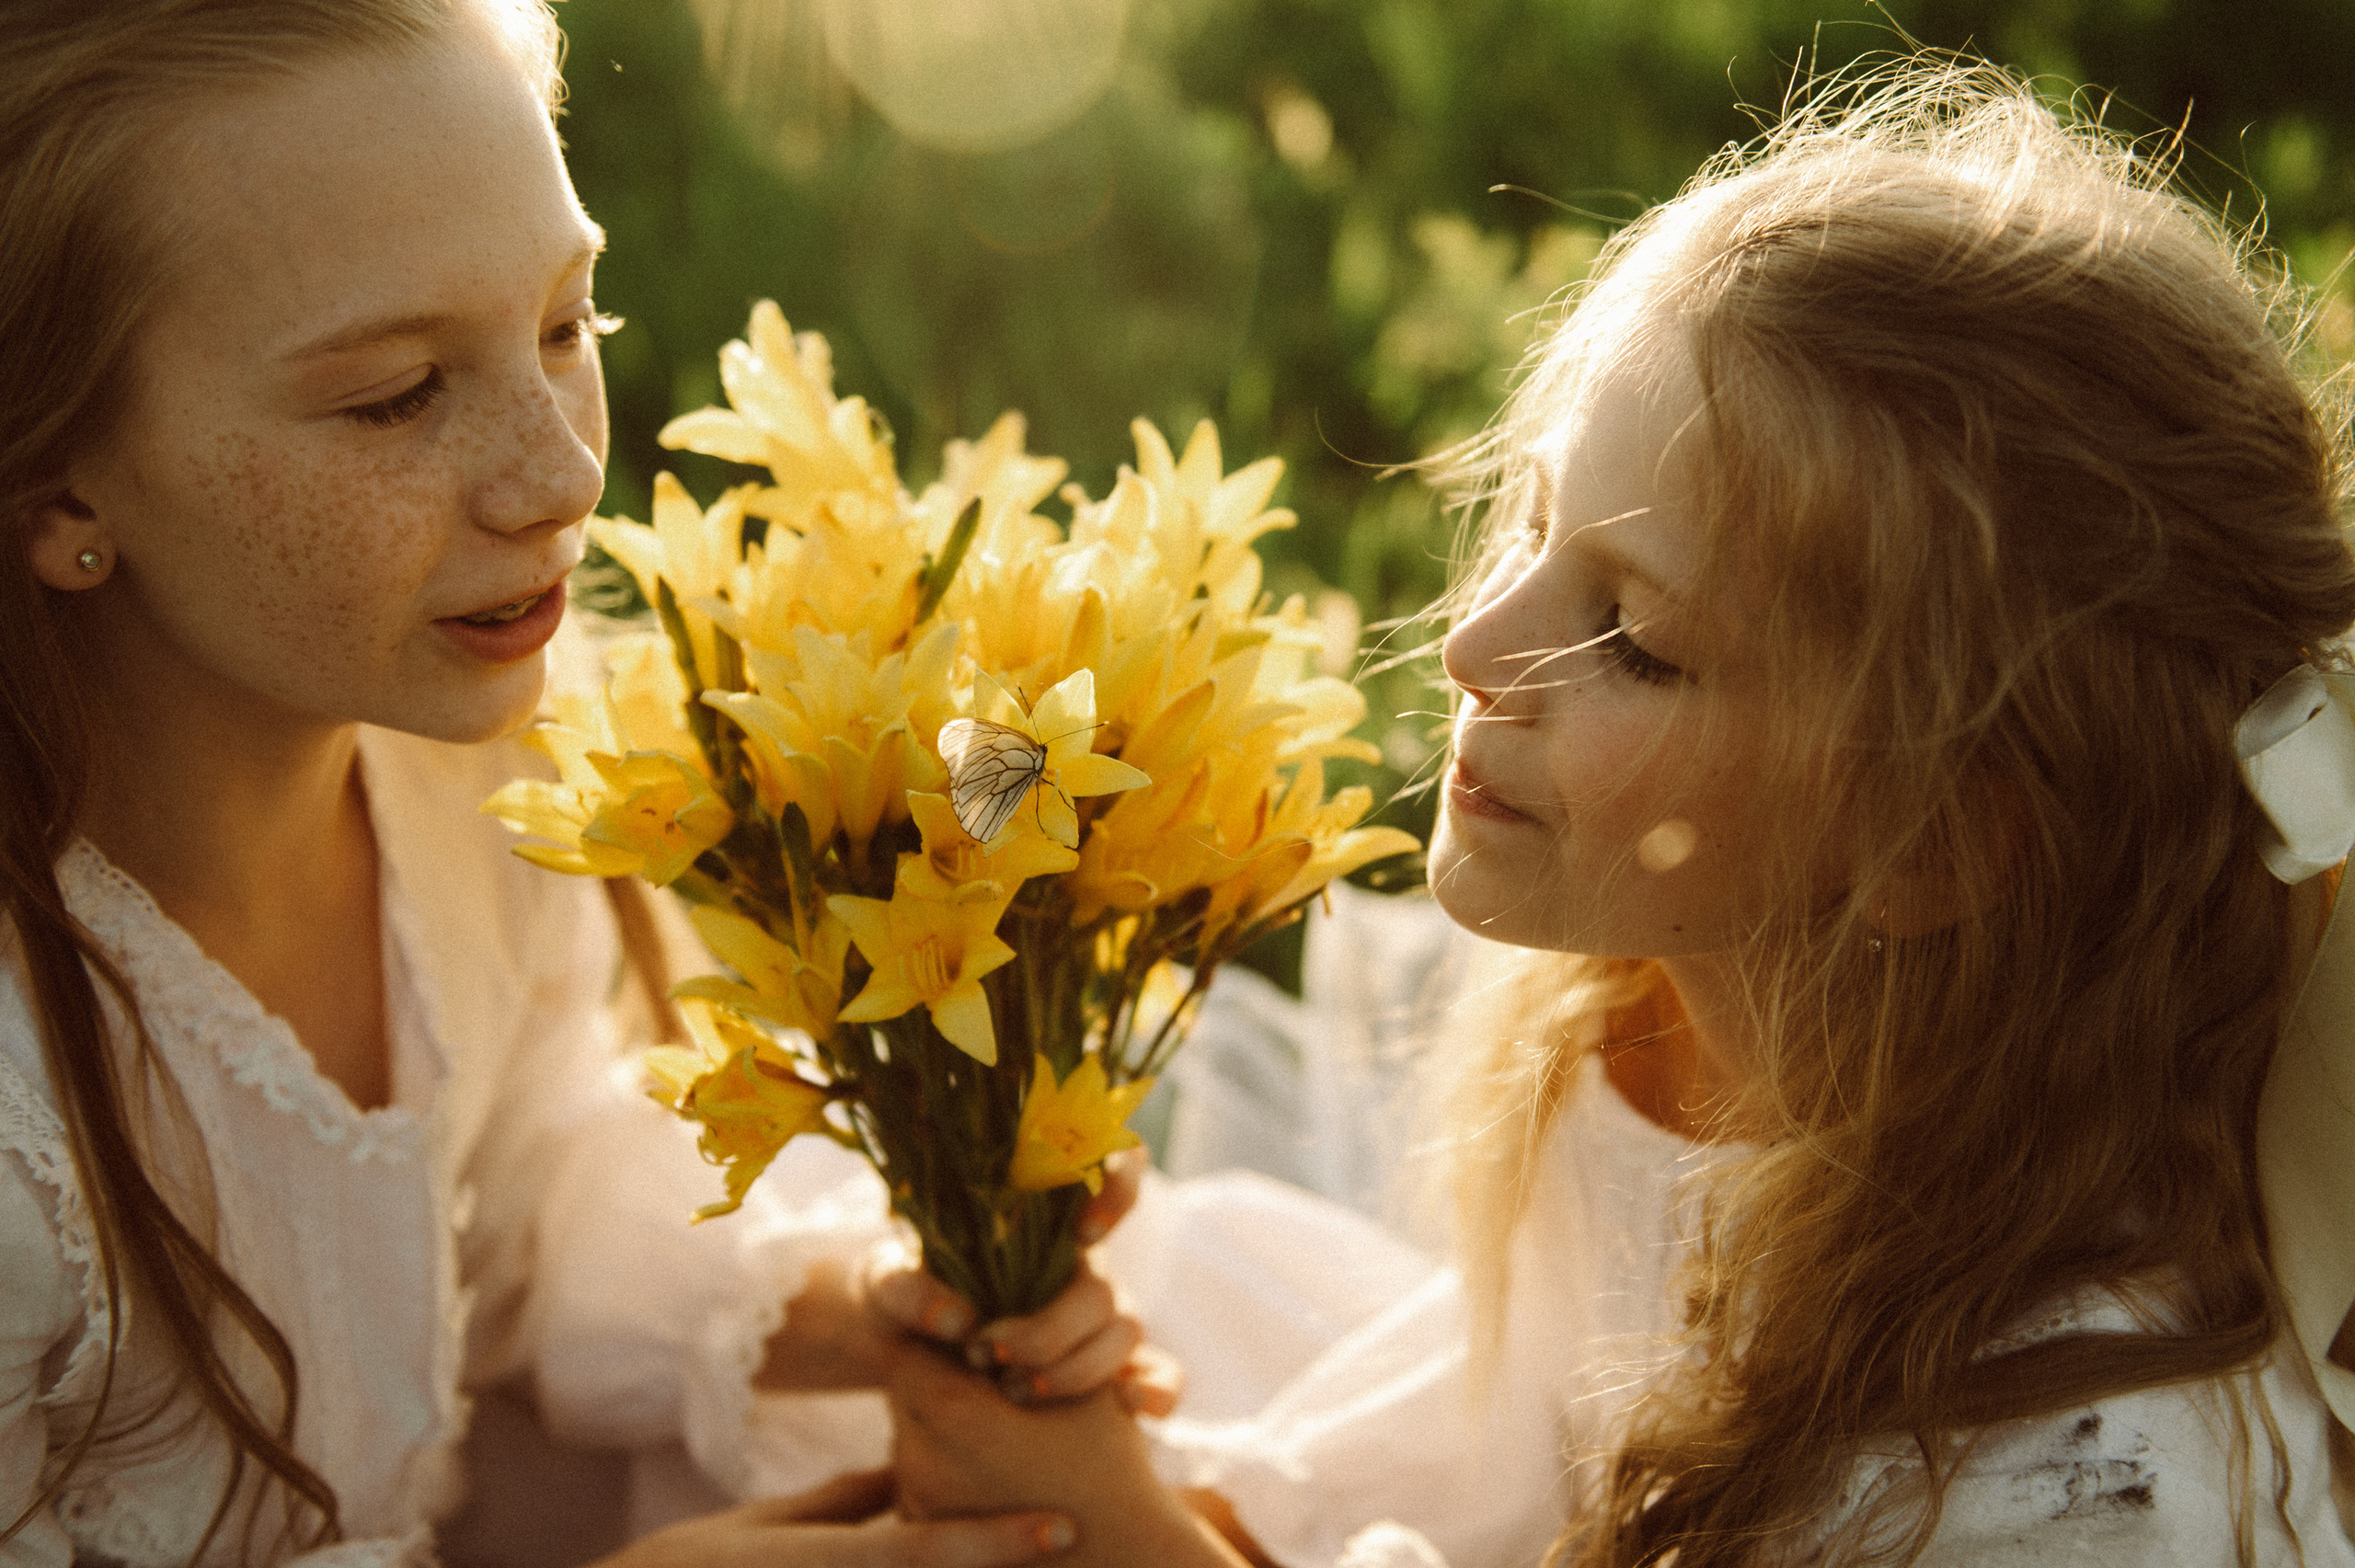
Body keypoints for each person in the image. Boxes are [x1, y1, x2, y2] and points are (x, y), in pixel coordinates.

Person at [884, 60, 2355, 1568]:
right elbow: (1505, 1474)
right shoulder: (1654, 1029)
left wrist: (1141, 1543)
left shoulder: (2061, 1496)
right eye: (1529, 520)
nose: (1470, 648)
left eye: (1634, 637)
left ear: (1935, 840)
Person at [0, 3, 1157, 1563]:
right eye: (398, 393)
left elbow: (517, 1188)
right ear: (59, 477)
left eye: (568, 324)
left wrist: (860, 1309)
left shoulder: (476, 777)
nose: (560, 476)